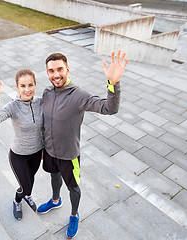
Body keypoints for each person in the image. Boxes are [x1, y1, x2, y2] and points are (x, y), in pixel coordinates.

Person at [37, 50, 128, 238]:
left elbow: (109, 108)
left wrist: (113, 83)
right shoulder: (46, 93)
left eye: (60, 69)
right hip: (50, 151)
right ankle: (55, 200)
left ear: (67, 69)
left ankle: (74, 214)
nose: (56, 75)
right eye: (51, 71)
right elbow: (43, 122)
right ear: (47, 73)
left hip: (69, 155)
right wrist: (42, 147)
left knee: (73, 187)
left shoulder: (78, 95)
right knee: (54, 177)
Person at [0, 69, 44, 220]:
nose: (27, 89)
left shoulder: (40, 103)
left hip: (37, 153)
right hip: (19, 155)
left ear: (35, 85)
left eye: (30, 85)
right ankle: (18, 200)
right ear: (17, 87)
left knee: (30, 183)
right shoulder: (13, 106)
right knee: (24, 187)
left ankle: (27, 196)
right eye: (23, 86)